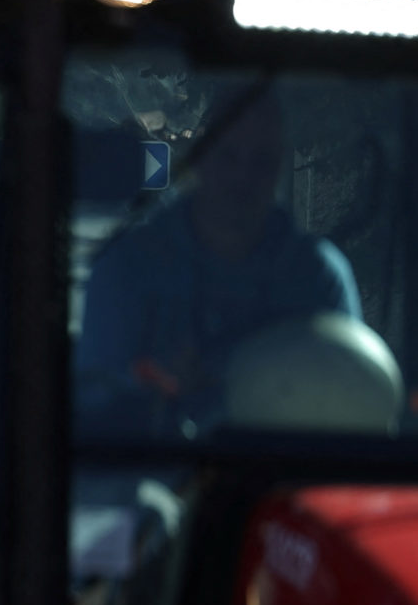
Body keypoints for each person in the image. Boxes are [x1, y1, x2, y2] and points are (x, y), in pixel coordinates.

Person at [76, 93, 359, 433]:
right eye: (228, 156)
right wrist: (153, 384)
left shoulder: (316, 274)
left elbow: (351, 395)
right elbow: (92, 401)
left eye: (261, 161)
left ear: (278, 168)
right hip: (153, 467)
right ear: (200, 158)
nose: (243, 176)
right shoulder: (129, 267)